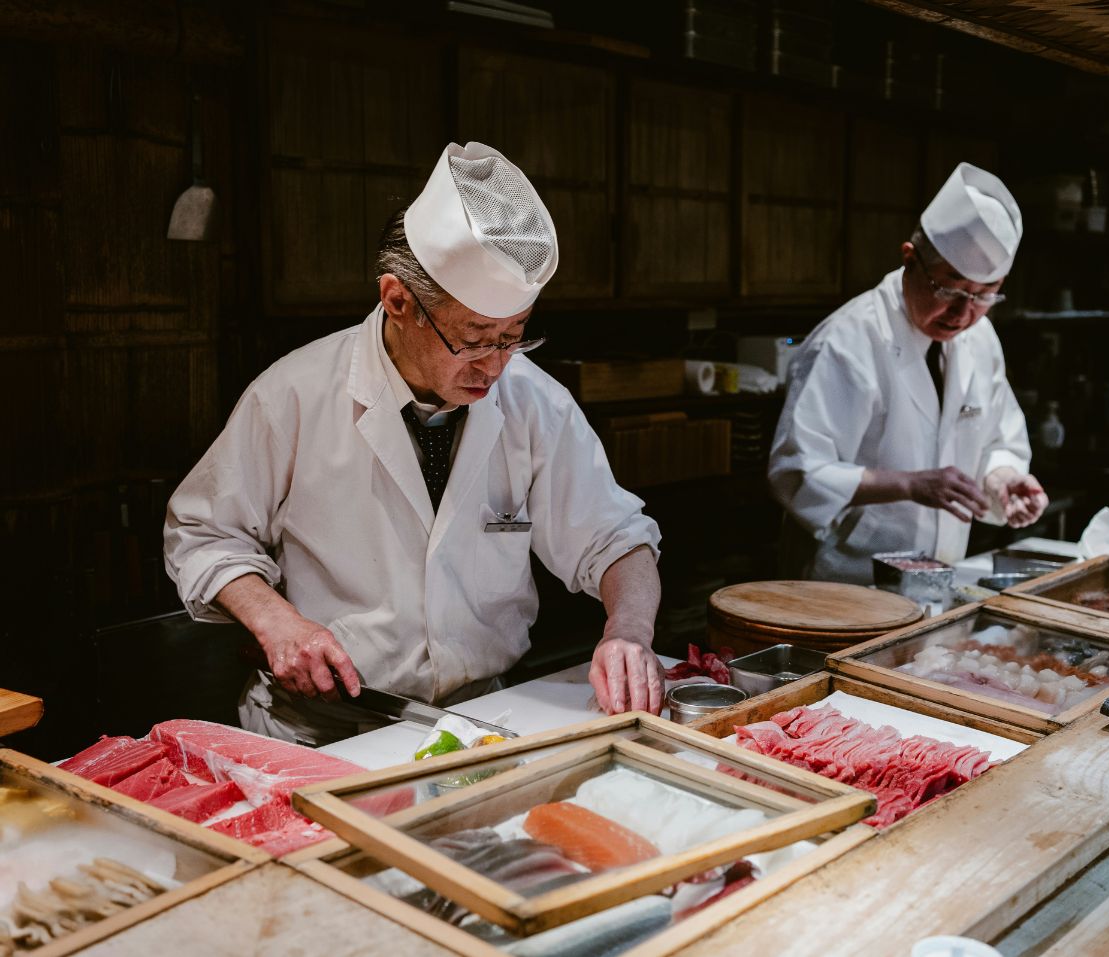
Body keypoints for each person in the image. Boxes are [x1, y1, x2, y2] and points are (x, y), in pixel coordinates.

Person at [165, 141, 664, 744]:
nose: (496, 366)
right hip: (319, 729)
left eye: (514, 337)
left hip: (483, 720)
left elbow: (618, 540)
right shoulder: (293, 394)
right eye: (474, 337)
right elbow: (203, 533)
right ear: (398, 302)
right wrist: (278, 623)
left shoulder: (537, 402)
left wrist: (628, 633)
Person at [769, 162, 1048, 585]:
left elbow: (996, 436)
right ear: (910, 258)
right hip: (845, 584)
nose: (963, 313)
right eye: (949, 289)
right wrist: (908, 484)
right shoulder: (849, 340)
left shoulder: (981, 337)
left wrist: (1003, 478)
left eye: (984, 295)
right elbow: (798, 472)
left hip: (938, 577)